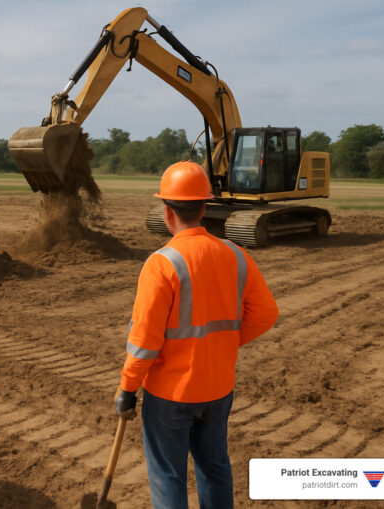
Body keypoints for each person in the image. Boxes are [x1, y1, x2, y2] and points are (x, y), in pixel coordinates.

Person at [114, 161, 279, 509]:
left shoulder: (162, 263)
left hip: (170, 396)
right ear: (204, 208)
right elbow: (266, 314)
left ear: (167, 211)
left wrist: (128, 388)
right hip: (219, 388)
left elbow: (144, 343)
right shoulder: (236, 254)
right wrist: (222, 344)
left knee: (168, 476)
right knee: (215, 467)